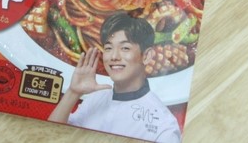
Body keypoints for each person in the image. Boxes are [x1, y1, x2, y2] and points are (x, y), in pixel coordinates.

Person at [48, 13, 182, 143]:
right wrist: (73, 92)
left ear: (146, 56)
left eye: (125, 48)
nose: (114, 56)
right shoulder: (95, 99)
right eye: (108, 48)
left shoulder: (164, 127)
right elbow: (52, 136)